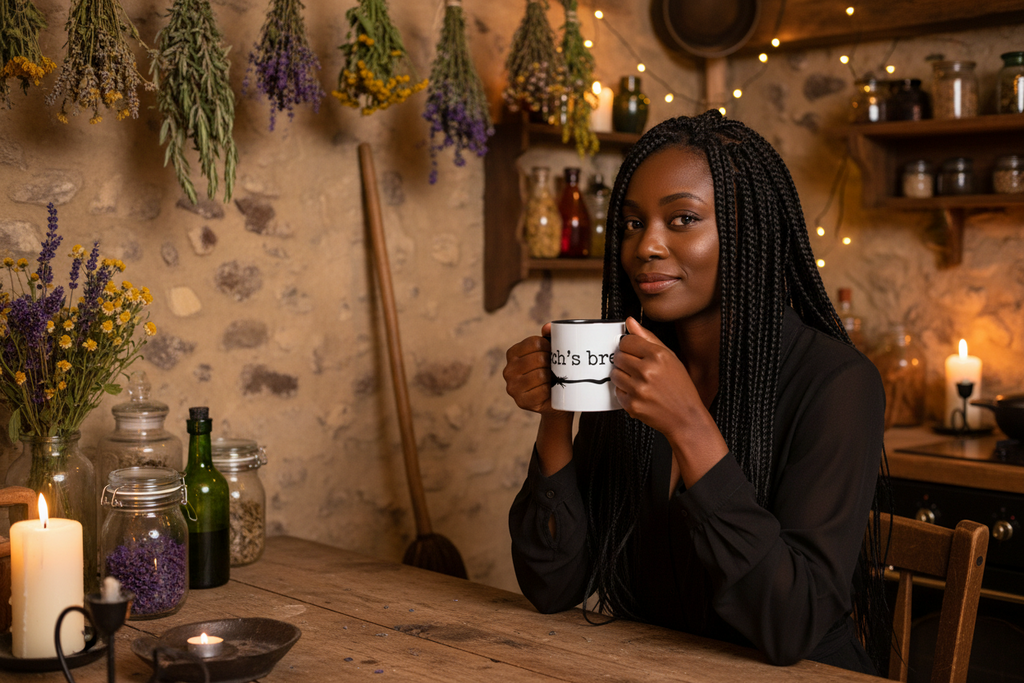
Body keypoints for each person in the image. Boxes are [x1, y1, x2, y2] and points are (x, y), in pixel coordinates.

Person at [503, 110, 889, 674]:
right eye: (632, 224)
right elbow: (552, 584)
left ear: (749, 232)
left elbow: (793, 627)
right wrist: (559, 406)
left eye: (682, 219)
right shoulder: (631, 368)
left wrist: (688, 426)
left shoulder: (838, 383)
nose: (646, 248)